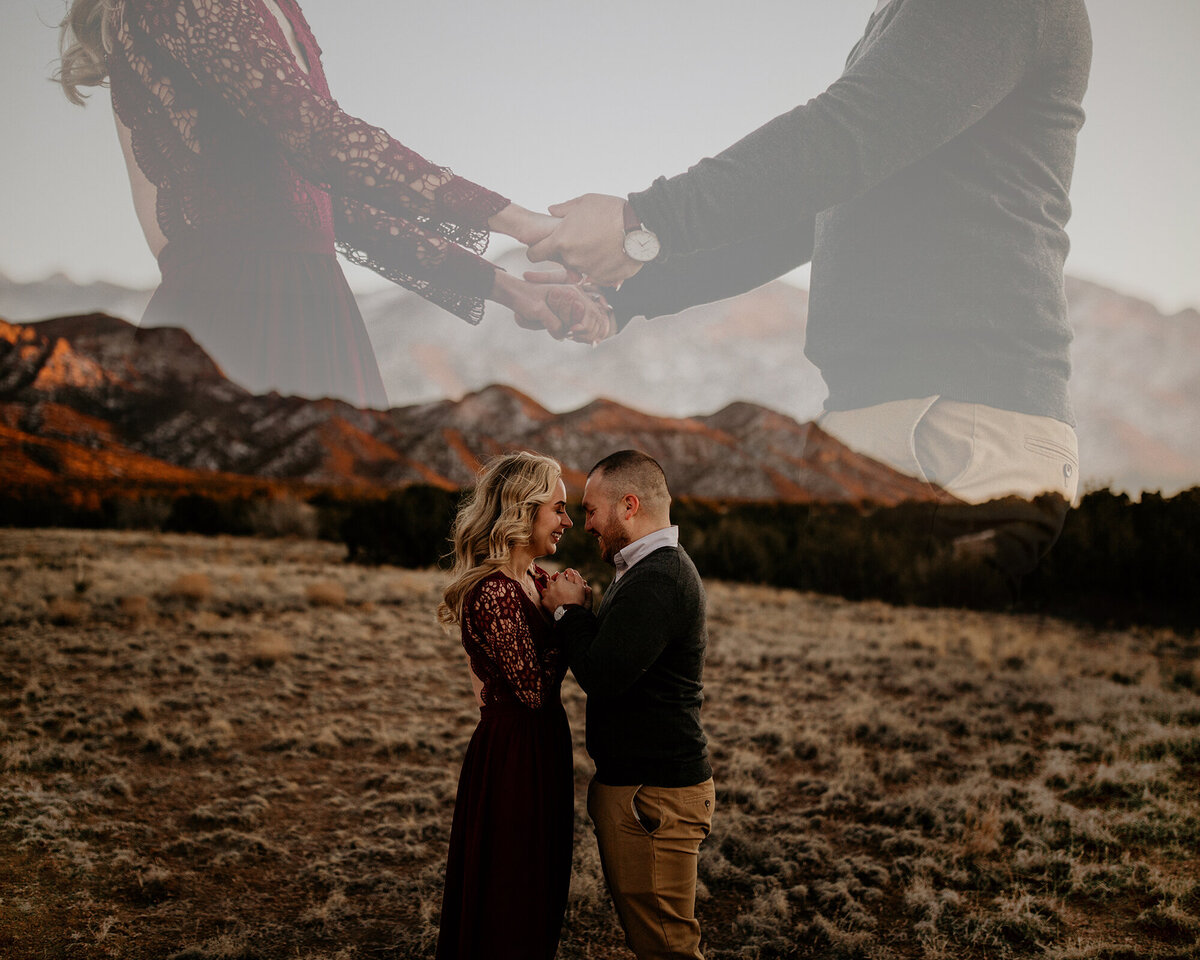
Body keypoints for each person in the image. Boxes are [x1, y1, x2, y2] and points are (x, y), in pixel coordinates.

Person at [528, 0, 1091, 590]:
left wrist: (644, 220)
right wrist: (626, 291)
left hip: (952, 430)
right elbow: (814, 206)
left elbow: (849, 134)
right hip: (911, 428)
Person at [55, 0, 607, 409]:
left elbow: (324, 199)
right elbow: (323, 141)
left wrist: (509, 289)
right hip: (238, 308)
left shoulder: (277, 8)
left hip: (311, 303)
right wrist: (526, 224)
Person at [541, 450, 714, 960]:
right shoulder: (644, 571)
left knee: (668, 949)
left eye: (592, 510)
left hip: (653, 800)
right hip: (647, 794)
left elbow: (603, 675)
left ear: (629, 505)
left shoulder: (659, 577)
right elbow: (618, 657)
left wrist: (571, 613)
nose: (585, 523)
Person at [435, 451, 576, 960]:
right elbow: (533, 690)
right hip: (513, 752)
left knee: (542, 875)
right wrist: (569, 614)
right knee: (510, 881)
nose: (568, 520)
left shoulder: (537, 581)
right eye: (558, 508)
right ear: (524, 508)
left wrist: (561, 606)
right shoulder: (492, 591)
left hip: (545, 743)